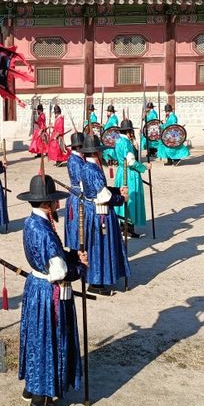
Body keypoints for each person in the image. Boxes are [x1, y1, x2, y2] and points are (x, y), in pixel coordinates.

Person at [17, 173, 87, 406]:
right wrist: (79, 268)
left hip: (37, 287)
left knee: (38, 339)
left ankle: (33, 388)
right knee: (49, 341)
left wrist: (71, 256)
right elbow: (58, 272)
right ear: (47, 203)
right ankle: (41, 403)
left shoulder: (32, 222)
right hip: (49, 293)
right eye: (55, 201)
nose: (59, 204)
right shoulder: (44, 230)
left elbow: (52, 259)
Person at [80, 134, 130, 295]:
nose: (102, 154)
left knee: (95, 245)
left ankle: (97, 279)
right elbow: (103, 196)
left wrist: (116, 190)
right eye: (100, 151)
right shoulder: (92, 169)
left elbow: (97, 190)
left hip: (92, 209)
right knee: (99, 247)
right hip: (99, 212)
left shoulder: (87, 167)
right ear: (95, 153)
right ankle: (97, 281)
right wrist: (120, 198)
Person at [114, 119, 148, 238]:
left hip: (120, 171)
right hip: (129, 174)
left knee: (123, 197)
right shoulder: (126, 142)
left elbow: (115, 155)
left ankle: (123, 226)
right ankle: (128, 228)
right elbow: (131, 162)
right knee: (131, 197)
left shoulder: (118, 140)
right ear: (129, 131)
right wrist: (143, 167)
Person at [63, 132, 86, 250]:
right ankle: (78, 249)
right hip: (78, 195)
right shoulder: (75, 161)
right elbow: (81, 180)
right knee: (77, 224)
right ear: (78, 147)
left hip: (76, 194)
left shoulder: (78, 158)